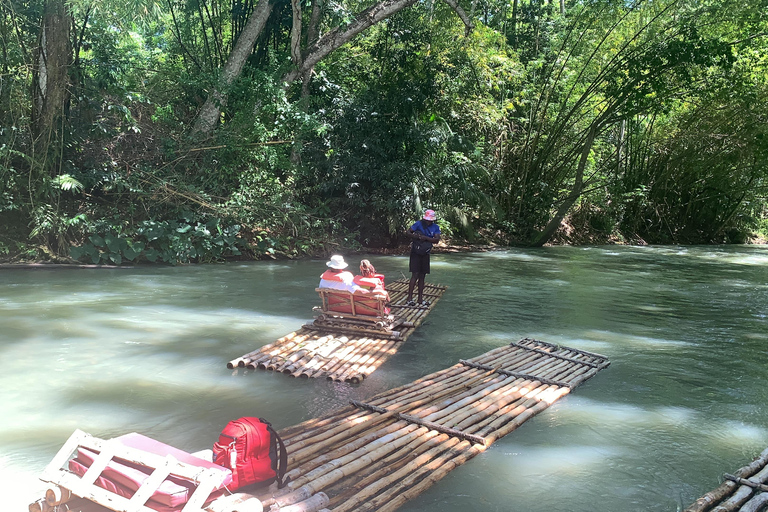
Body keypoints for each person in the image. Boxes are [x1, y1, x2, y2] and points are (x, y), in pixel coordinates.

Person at [406, 209, 441, 306]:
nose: (429, 222)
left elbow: (437, 240)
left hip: (425, 253)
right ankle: (409, 299)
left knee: (422, 276)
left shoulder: (435, 227)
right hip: (415, 252)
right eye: (428, 220)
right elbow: (408, 232)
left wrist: (426, 238)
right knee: (415, 274)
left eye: (431, 220)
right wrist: (416, 236)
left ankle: (420, 299)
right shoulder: (418, 224)